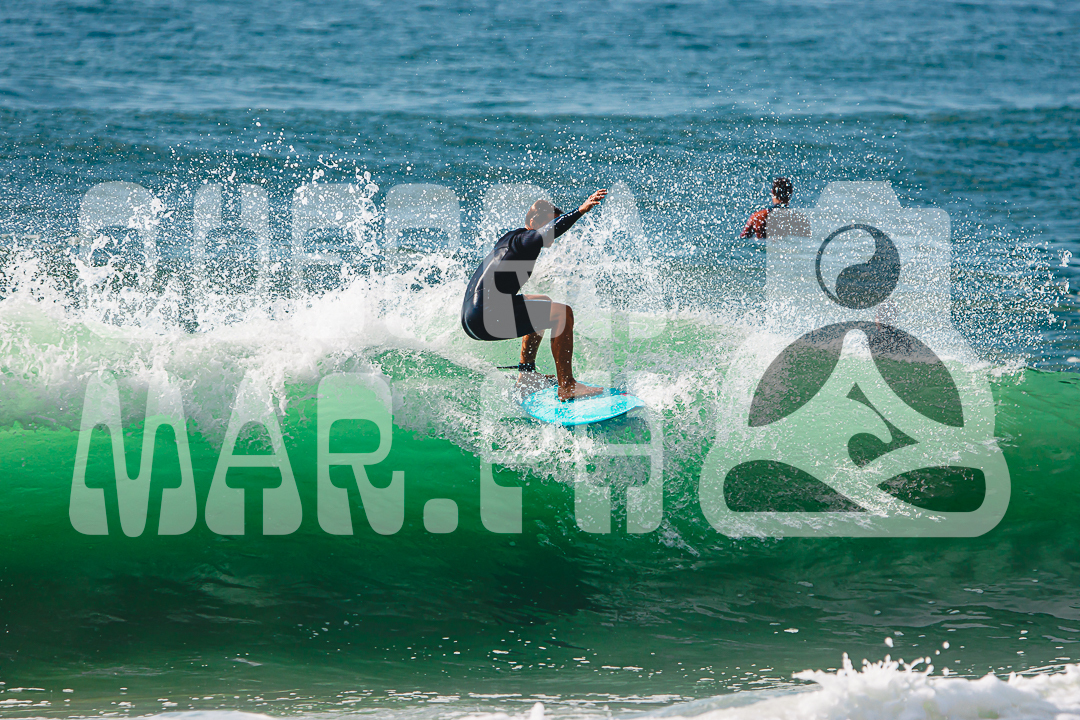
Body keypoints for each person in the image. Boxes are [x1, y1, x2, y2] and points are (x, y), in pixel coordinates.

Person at [461, 189, 607, 401]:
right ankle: (567, 385)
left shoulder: (512, 239)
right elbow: (545, 232)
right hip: (484, 317)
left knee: (543, 303)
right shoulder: (525, 239)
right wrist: (581, 210)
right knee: (563, 314)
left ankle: (527, 374)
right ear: (533, 222)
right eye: (548, 224)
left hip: (472, 316)